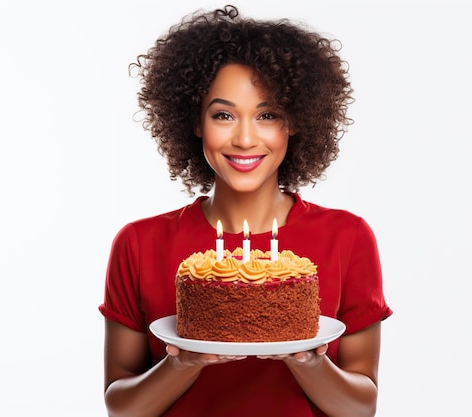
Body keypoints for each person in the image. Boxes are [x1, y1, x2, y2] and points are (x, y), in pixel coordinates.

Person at [99, 5, 392, 417]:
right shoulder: (139, 243)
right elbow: (121, 408)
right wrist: (182, 362)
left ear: (294, 121)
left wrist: (308, 360)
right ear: (195, 122)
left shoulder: (347, 236)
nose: (245, 137)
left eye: (267, 115)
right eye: (223, 115)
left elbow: (361, 408)